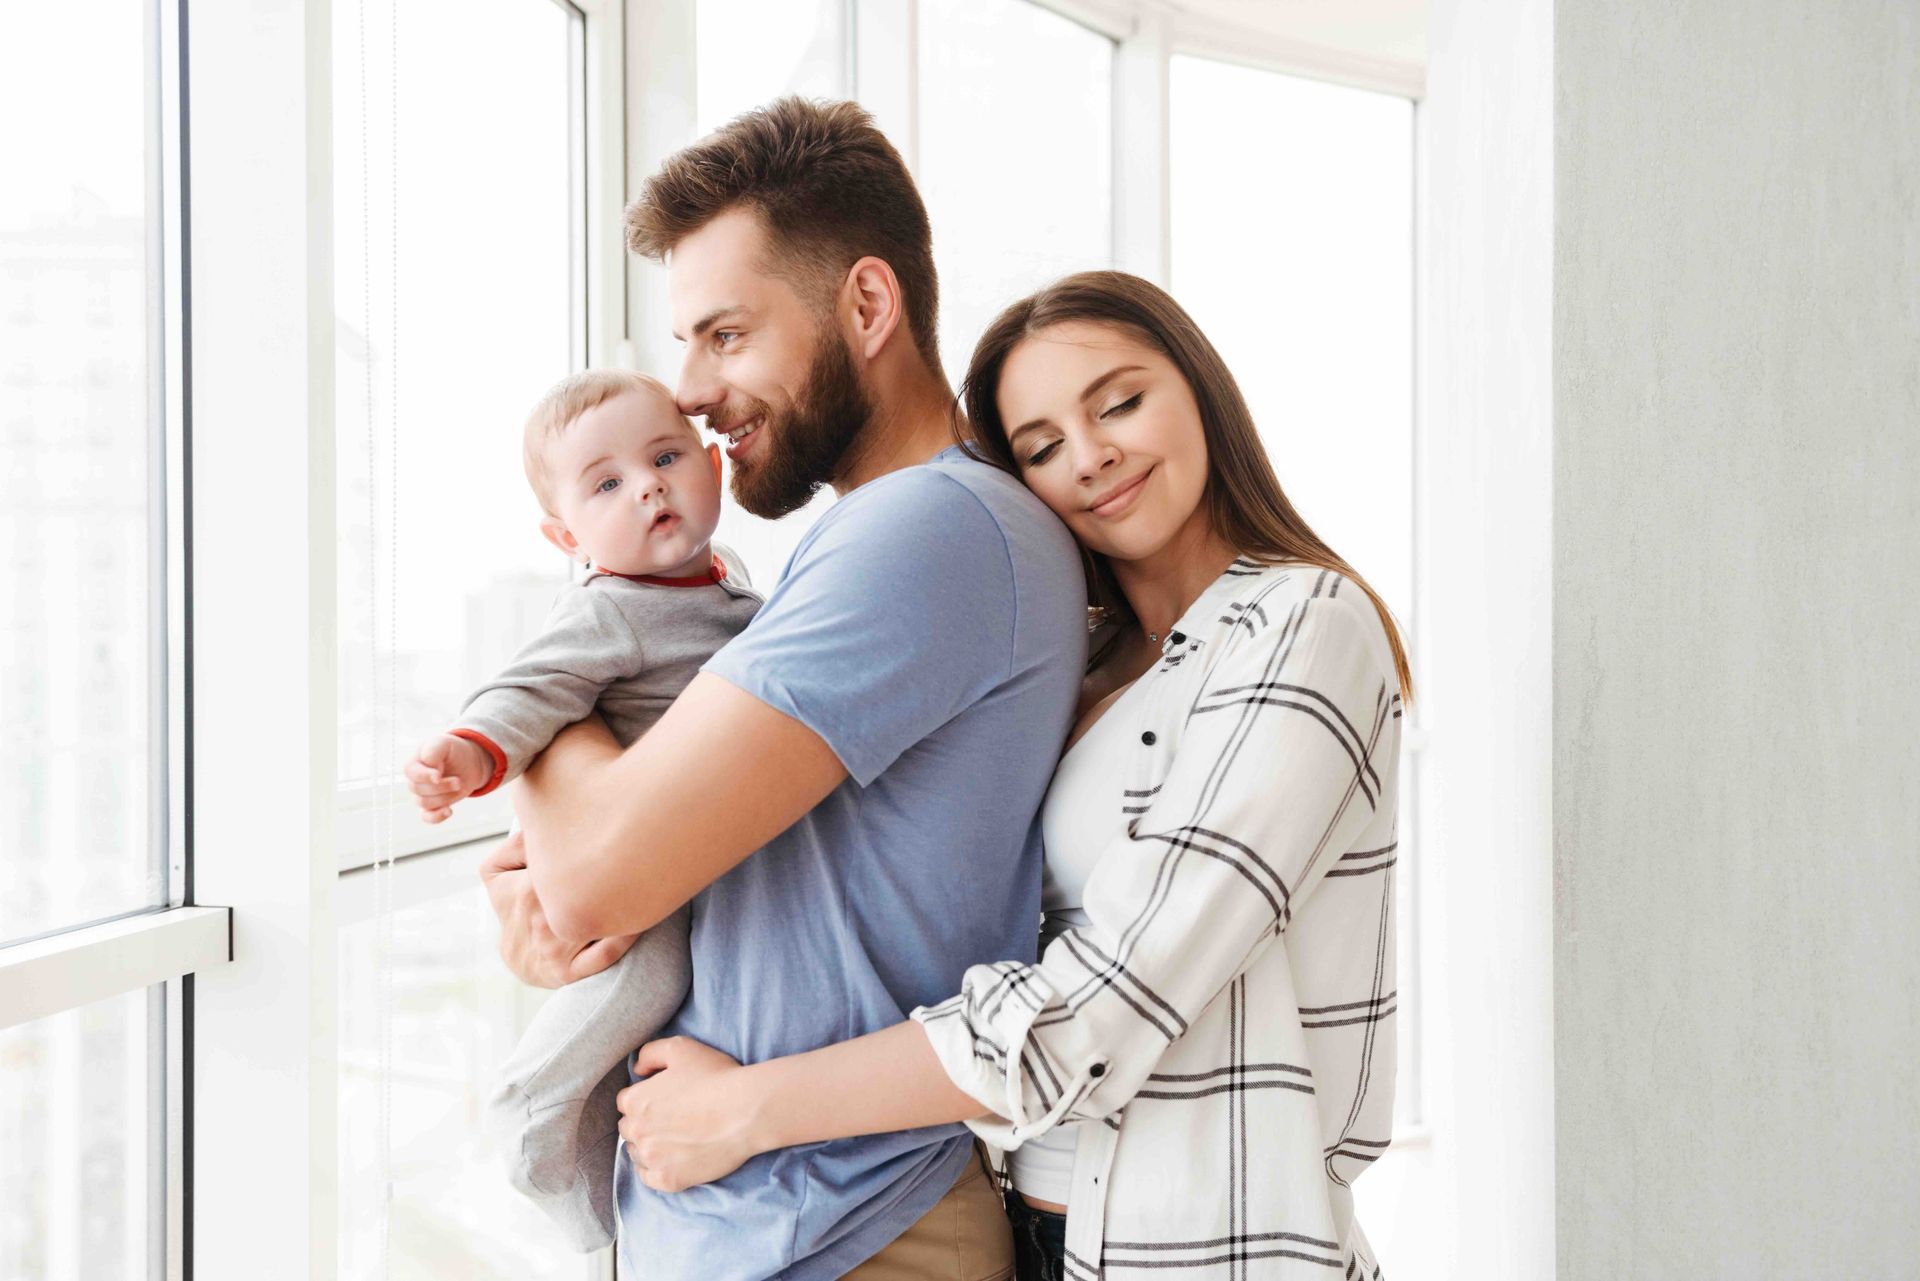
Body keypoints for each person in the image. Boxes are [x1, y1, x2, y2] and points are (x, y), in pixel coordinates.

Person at [612, 272, 1415, 1281]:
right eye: (1039, 447)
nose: (1091, 457)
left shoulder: (1302, 625)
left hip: (1211, 1247)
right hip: (1029, 1229)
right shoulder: (1085, 666)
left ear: (1201, 393)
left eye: (1119, 402)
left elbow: (1103, 1004)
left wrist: (746, 1110)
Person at [479, 98, 1087, 1280]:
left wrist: (568, 661)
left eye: (726, 336)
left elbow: (601, 868)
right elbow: (622, 887)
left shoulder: (927, 532)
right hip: (776, 1219)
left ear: (866, 305)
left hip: (845, 1229)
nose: (692, 391)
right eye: (685, 344)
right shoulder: (860, 536)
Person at [403, 369, 760, 1250]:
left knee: (635, 1058)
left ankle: (611, 1215)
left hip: (717, 859)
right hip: (654, 886)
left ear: (713, 469)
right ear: (567, 534)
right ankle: (550, 1154)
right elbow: (529, 688)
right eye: (607, 483)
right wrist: (470, 752)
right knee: (640, 989)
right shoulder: (609, 609)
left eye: (667, 457)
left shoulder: (735, 591)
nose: (647, 485)